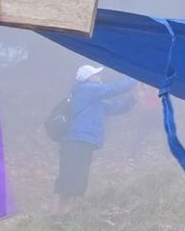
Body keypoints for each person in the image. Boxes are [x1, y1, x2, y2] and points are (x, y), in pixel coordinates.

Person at [52, 63, 135, 218]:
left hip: (85, 141)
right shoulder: (86, 89)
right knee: (68, 176)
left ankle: (65, 214)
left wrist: (133, 98)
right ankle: (55, 214)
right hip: (75, 140)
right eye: (97, 75)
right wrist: (137, 76)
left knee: (78, 178)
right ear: (88, 78)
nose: (100, 77)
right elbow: (115, 88)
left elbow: (117, 108)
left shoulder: (94, 98)